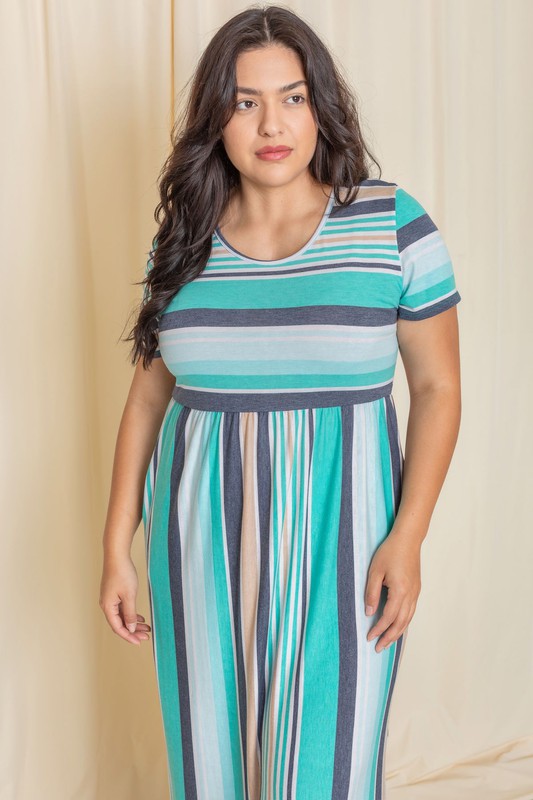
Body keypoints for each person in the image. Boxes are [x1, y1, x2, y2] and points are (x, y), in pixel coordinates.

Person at [99, 5, 462, 798]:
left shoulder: (390, 222)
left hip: (350, 547)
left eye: (293, 97)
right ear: (215, 120)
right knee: (209, 771)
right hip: (197, 547)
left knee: (326, 773)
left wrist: (407, 538)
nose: (273, 123)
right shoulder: (183, 238)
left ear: (321, 106)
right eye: (245, 101)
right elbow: (147, 398)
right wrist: (116, 547)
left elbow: (437, 389)